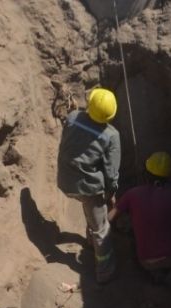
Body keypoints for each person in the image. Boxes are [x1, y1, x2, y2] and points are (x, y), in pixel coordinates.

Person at [57, 87, 121, 283]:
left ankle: (89, 241)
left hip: (65, 180)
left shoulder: (73, 117)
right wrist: (111, 192)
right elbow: (111, 172)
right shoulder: (111, 135)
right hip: (88, 187)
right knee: (102, 229)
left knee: (89, 206)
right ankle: (105, 270)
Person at [109, 152, 171, 285]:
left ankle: (156, 274)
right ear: (168, 177)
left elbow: (110, 217)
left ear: (146, 173)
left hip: (145, 260)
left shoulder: (132, 194)